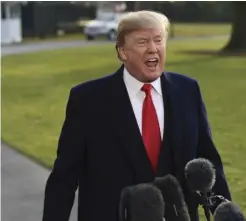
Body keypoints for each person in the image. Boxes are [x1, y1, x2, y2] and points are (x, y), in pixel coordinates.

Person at [42, 10, 231, 221]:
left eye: (158, 40)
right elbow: (64, 177)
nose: (153, 48)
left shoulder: (187, 90)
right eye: (143, 42)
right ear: (122, 52)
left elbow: (208, 160)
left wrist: (226, 213)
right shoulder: (87, 100)